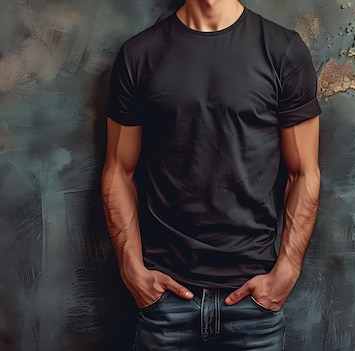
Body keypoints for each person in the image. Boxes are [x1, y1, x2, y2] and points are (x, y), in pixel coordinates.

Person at [101, 0, 321, 349]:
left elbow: (304, 172)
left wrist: (287, 271)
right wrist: (132, 270)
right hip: (165, 303)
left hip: (254, 302)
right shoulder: (140, 54)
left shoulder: (283, 50)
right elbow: (118, 170)